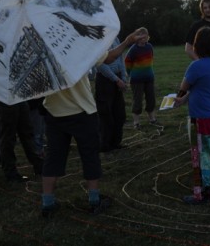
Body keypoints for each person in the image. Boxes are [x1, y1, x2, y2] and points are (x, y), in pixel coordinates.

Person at [41, 30, 145, 217]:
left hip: (54, 111)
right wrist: (127, 41)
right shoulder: (78, 48)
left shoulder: (43, 51)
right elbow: (109, 57)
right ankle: (94, 201)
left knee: (53, 157)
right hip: (82, 111)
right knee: (90, 155)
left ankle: (47, 203)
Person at [174, 27, 210, 204]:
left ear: (197, 45)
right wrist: (185, 100)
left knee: (202, 155)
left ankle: (203, 193)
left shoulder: (196, 66)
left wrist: (178, 97)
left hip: (202, 118)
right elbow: (202, 87)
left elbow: (184, 86)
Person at [0, 101, 44, 182]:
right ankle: (10, 172)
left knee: (28, 133)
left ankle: (39, 165)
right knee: (8, 138)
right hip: (6, 101)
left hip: (20, 99)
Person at [95, 37, 127, 152]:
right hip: (105, 81)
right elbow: (100, 64)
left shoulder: (116, 38)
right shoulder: (98, 39)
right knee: (106, 114)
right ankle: (104, 145)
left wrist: (123, 76)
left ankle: (116, 142)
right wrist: (116, 80)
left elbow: (121, 58)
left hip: (118, 78)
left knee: (119, 113)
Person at [125, 27, 159, 129]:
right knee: (137, 100)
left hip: (149, 78)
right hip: (136, 80)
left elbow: (151, 59)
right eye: (141, 35)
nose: (144, 38)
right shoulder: (133, 49)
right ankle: (136, 122)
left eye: (145, 35)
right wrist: (130, 73)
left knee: (151, 99)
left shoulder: (149, 47)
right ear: (137, 37)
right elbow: (127, 62)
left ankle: (152, 119)